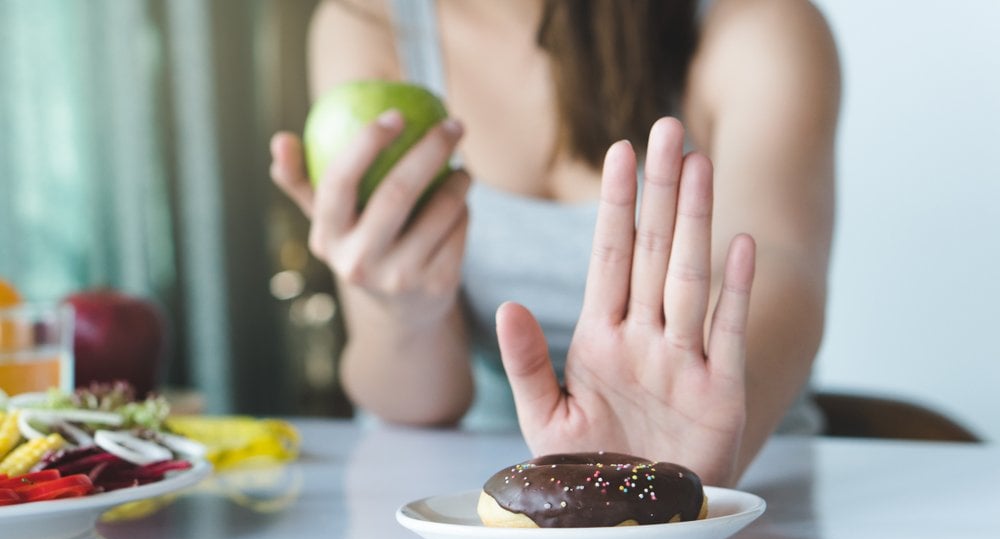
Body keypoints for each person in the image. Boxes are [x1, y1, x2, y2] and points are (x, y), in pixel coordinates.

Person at [270, 0, 840, 487]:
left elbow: (781, 269)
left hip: (742, 480)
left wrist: (683, 453)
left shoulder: (757, 24)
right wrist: (402, 309)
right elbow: (423, 407)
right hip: (472, 501)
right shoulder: (368, 23)